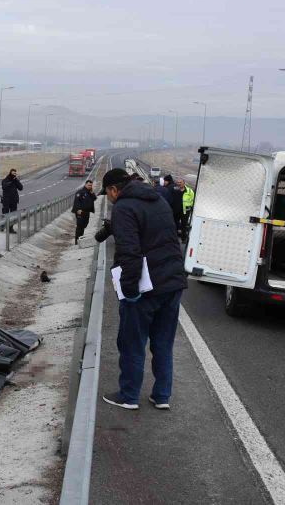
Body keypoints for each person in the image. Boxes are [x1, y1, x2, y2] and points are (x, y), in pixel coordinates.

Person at [98, 168, 187, 411]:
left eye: (107, 193)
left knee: (132, 343)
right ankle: (161, 396)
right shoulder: (158, 198)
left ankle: (128, 396)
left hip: (146, 288)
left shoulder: (124, 208)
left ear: (114, 189)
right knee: (163, 343)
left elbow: (129, 252)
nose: (109, 198)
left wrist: (129, 290)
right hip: (173, 282)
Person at [72, 179, 97, 244]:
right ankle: (77, 241)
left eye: (91, 185)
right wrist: (78, 209)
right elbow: (76, 201)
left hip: (87, 212)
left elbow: (94, 198)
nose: (90, 186)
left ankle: (81, 238)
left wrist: (92, 193)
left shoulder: (90, 192)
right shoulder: (80, 192)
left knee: (84, 225)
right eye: (89, 185)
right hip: (80, 212)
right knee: (80, 226)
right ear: (85, 184)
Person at [1, 168, 23, 233]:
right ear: (10, 173)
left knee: (13, 215)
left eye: (15, 173)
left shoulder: (15, 180)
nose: (14, 175)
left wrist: (16, 180)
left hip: (14, 201)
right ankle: (2, 226)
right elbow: (4, 187)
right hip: (6, 201)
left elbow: (21, 188)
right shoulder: (5, 180)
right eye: (13, 173)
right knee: (5, 215)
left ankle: (10, 228)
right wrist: (11, 182)